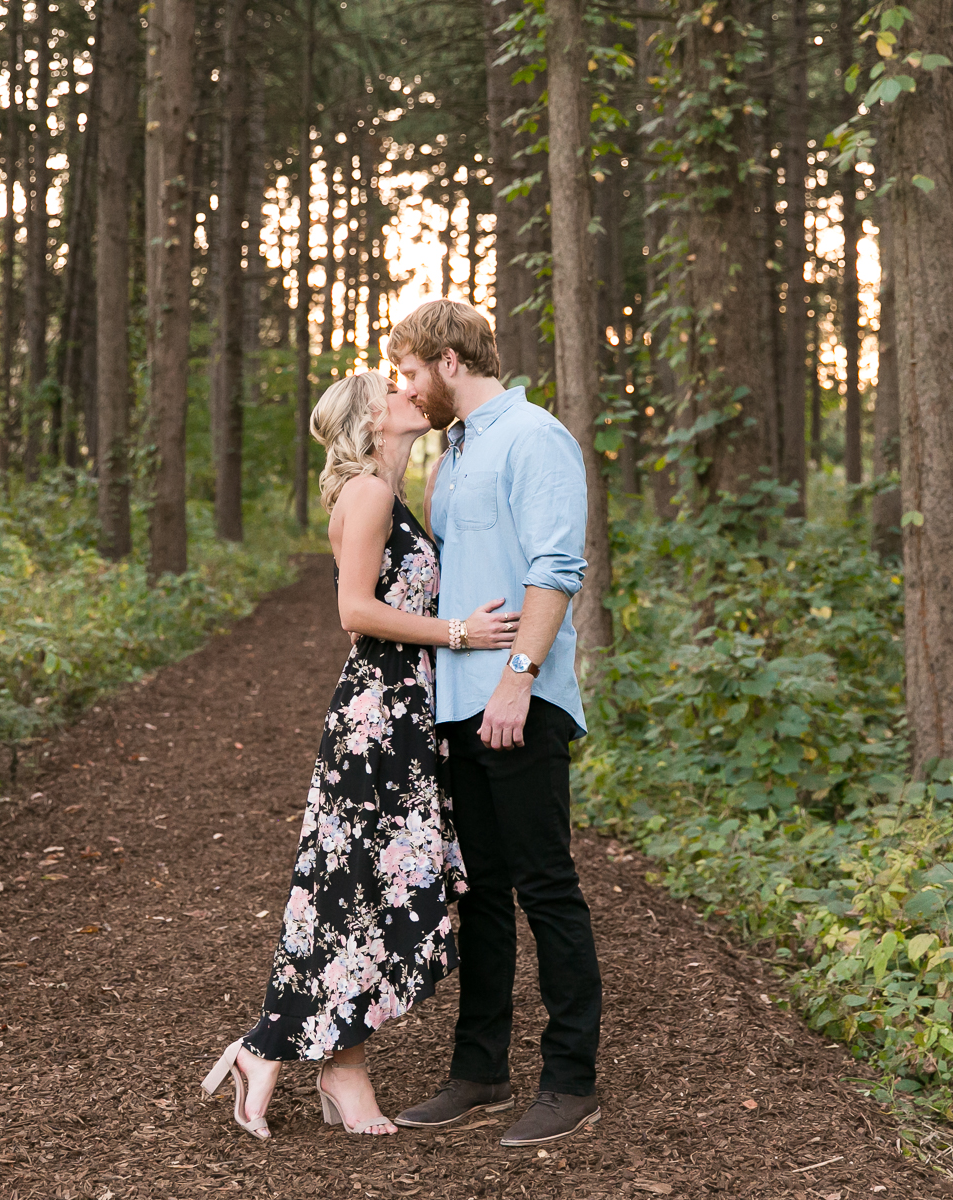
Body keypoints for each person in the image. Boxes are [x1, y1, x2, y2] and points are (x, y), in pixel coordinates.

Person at [201, 370, 521, 1139]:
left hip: (394, 710)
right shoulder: (370, 495)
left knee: (352, 888)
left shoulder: (385, 490)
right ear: (371, 419)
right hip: (379, 713)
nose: (414, 392)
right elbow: (352, 611)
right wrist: (460, 635)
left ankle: (298, 1055)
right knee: (356, 889)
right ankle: (300, 1055)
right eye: (395, 389)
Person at [386, 300, 605, 1148]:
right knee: (479, 894)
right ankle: (479, 1071)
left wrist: (517, 680)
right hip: (456, 703)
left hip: (518, 699)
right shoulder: (459, 447)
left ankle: (571, 1080)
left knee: (546, 886)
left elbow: (557, 566)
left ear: (447, 358)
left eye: (409, 371)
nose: (404, 385)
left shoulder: (533, 435)